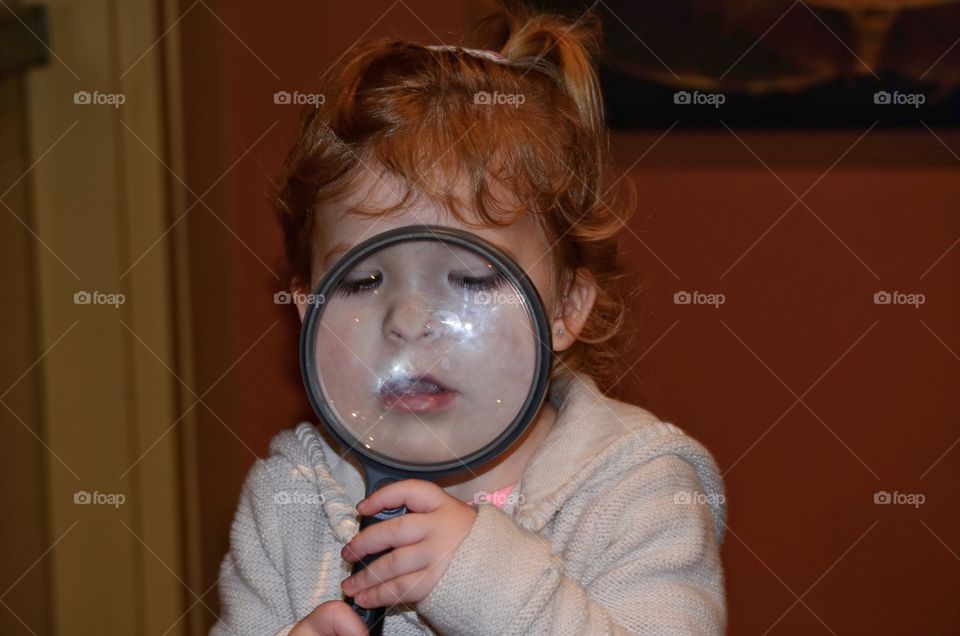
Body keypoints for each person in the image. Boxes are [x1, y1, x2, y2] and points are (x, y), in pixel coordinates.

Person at [212, 4, 726, 634]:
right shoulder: (288, 500)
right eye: (362, 279)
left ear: (566, 308)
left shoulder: (636, 489)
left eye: (473, 278)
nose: (408, 320)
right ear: (306, 311)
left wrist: (483, 580)